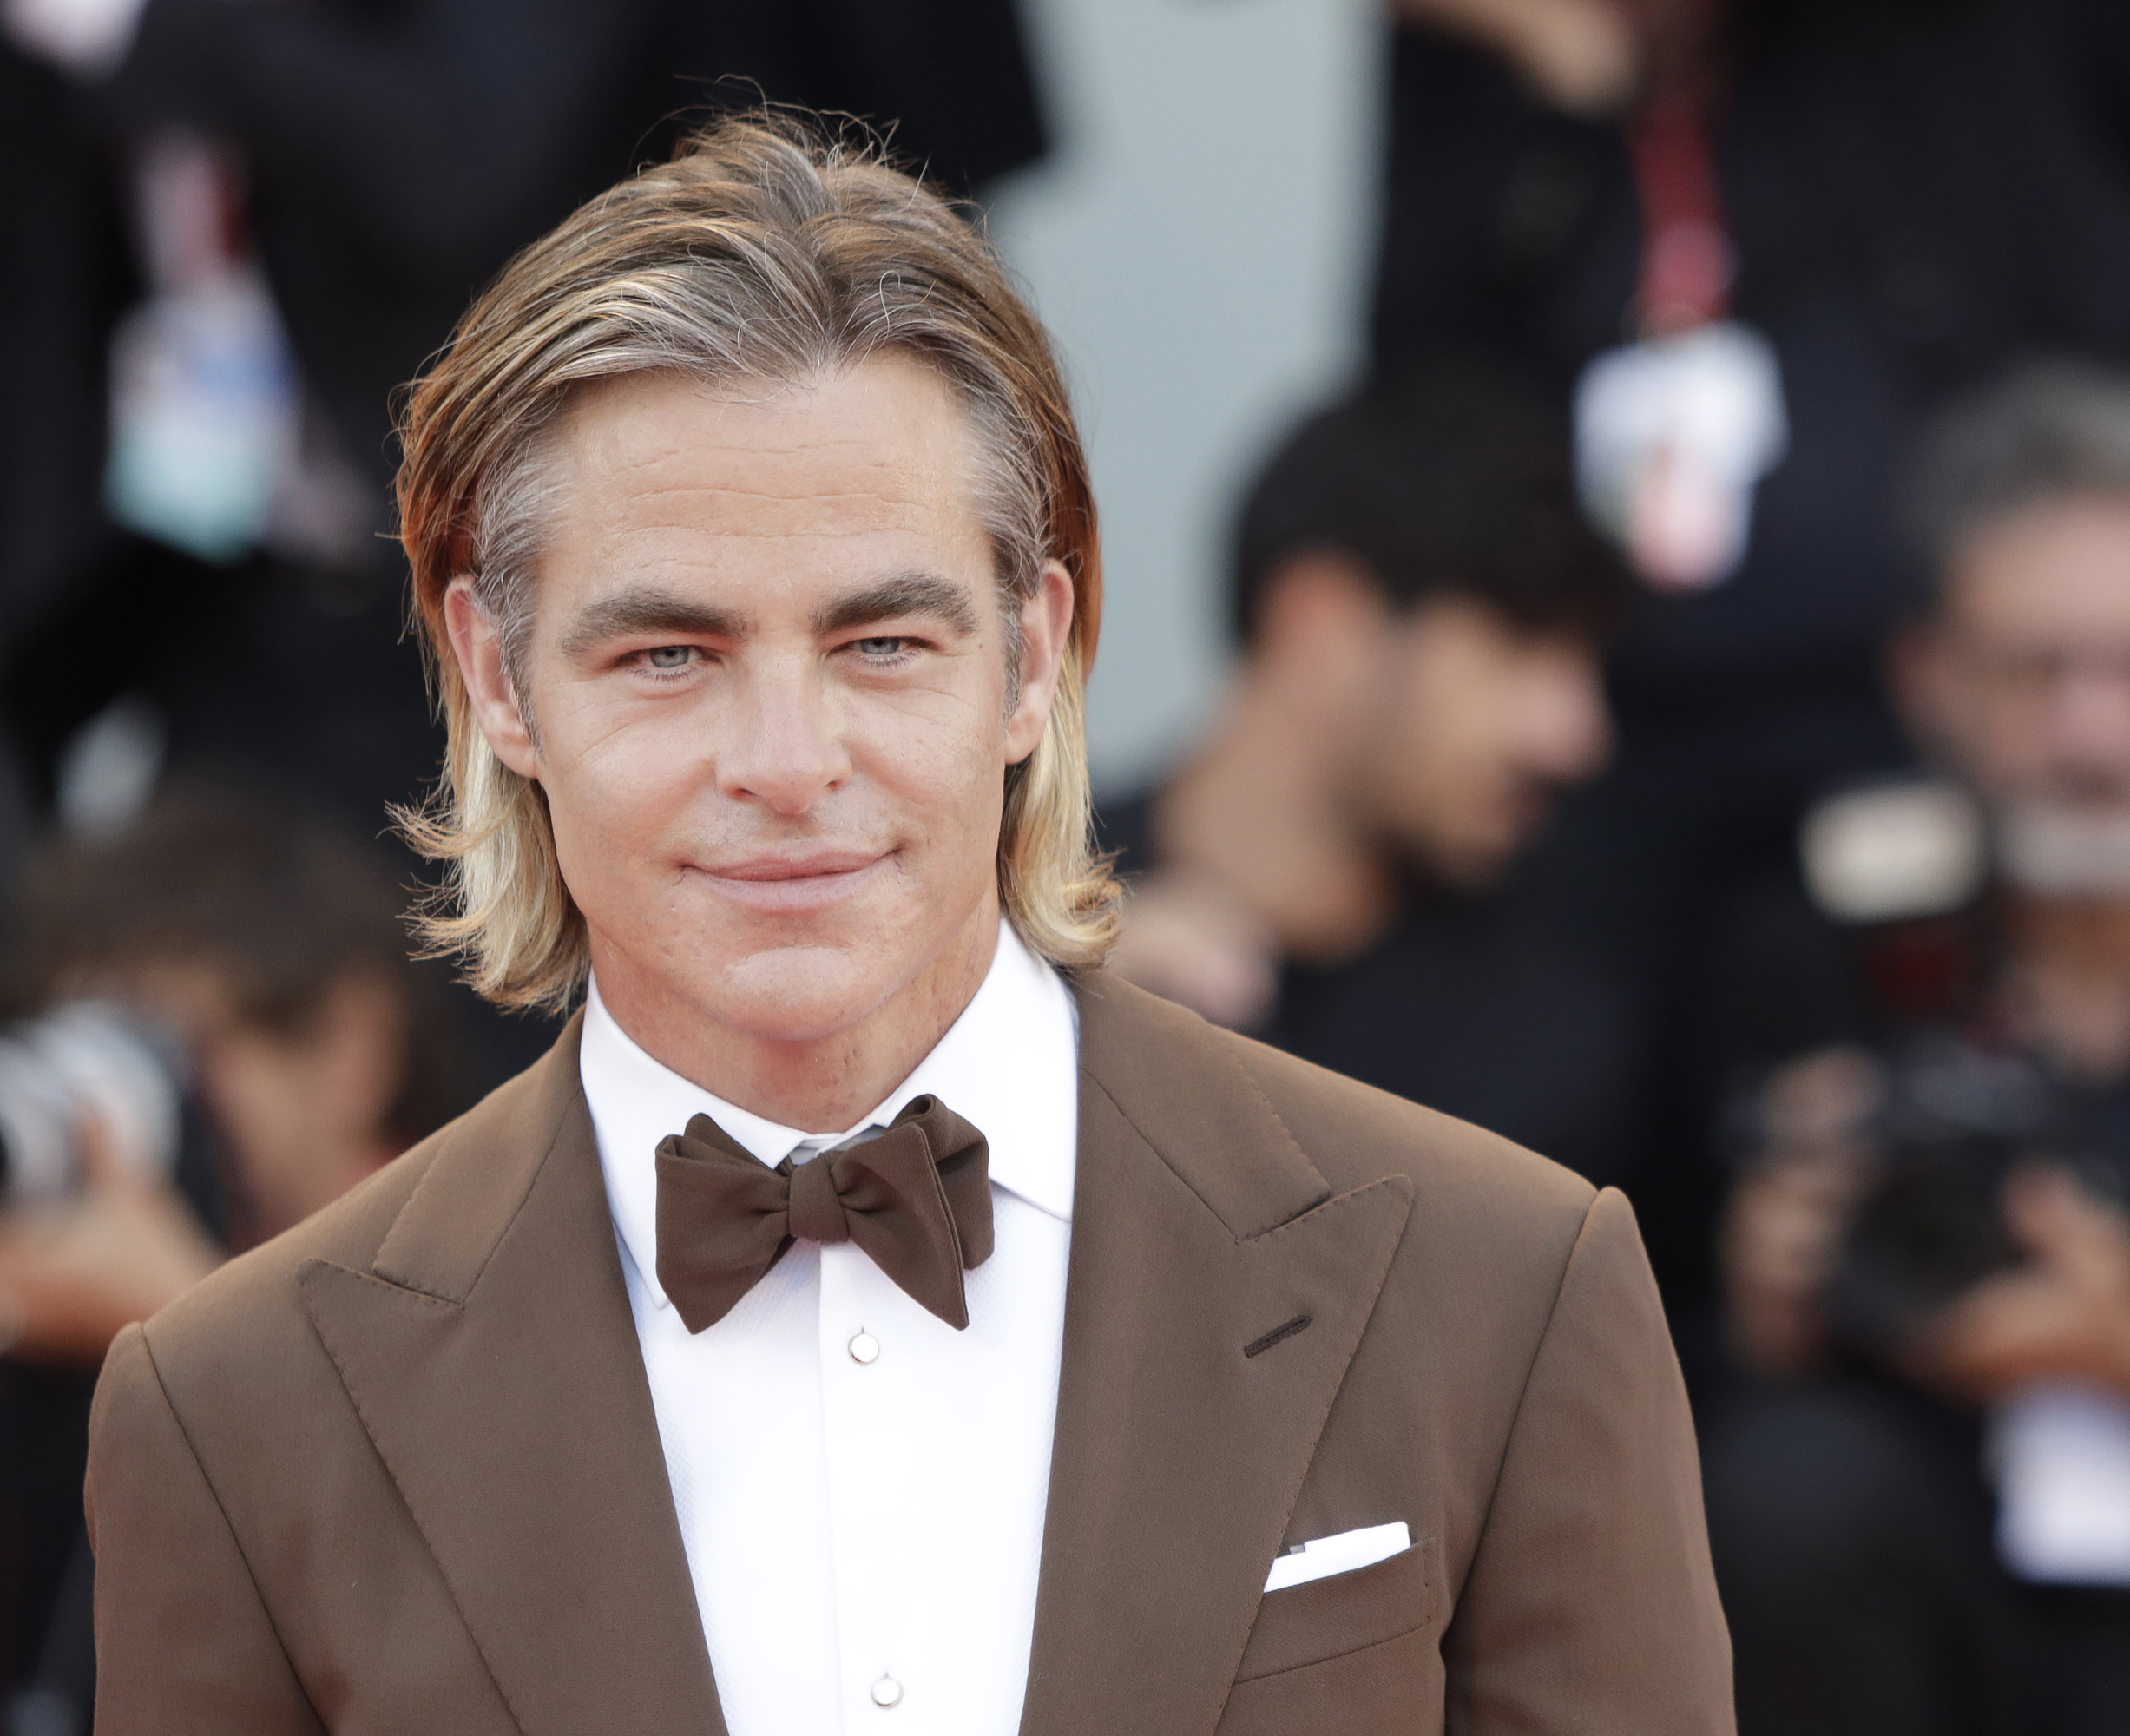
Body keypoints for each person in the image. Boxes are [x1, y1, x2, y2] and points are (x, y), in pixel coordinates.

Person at [86, 114, 1730, 1736]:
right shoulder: (237, 1416)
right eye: (669, 655)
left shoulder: (1501, 1288)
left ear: (1031, 659)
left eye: (881, 644)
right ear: (500, 681)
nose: (789, 767)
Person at [0, 784, 463, 1735]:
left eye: (161, 1054)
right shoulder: (50, 1362)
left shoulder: (501, 1296)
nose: (112, 1128)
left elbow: (475, 1664)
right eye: (69, 1061)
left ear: (351, 1047)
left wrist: (197, 1337)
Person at [1706, 365, 2130, 1736]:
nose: (2090, 736)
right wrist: (1765, 1304)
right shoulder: (1821, 952)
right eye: (2035, 672)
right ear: (1926, 677)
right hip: (1926, 1573)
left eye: (2128, 667)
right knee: (1784, 1490)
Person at [1098, 365, 1640, 1216]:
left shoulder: (1546, 1038)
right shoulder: (998, 904)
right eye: (1518, 643)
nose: (1576, 736)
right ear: (1322, 626)